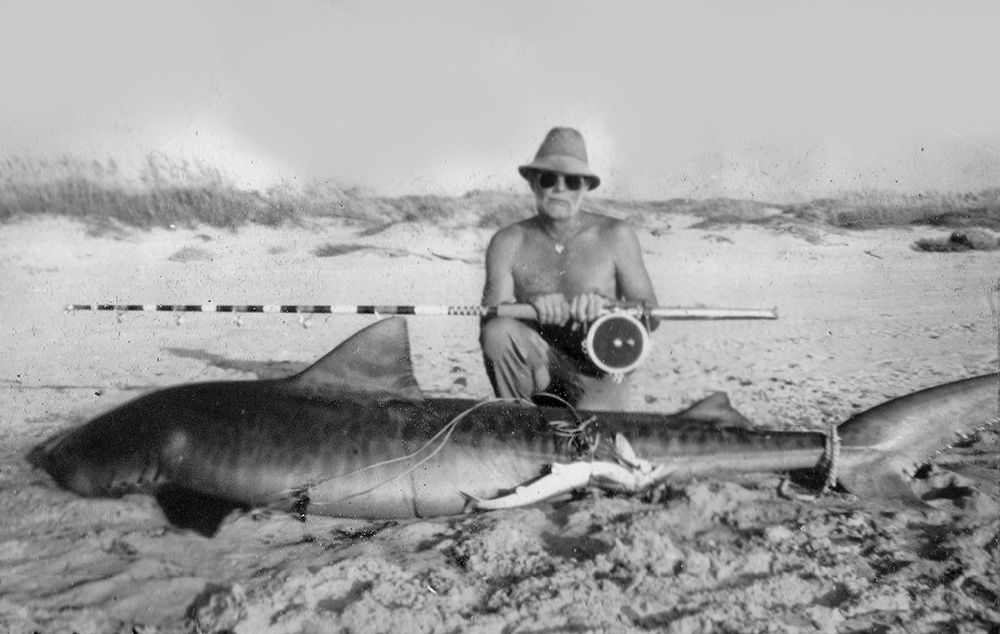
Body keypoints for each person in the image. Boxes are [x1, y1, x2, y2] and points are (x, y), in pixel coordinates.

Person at [480, 127, 659, 410]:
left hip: (602, 373)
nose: (560, 188)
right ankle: (520, 423)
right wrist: (531, 304)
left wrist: (606, 306)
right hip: (542, 370)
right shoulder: (507, 242)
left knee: (588, 431)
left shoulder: (616, 235)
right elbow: (489, 318)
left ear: (586, 186)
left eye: (572, 181)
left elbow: (652, 315)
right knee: (497, 333)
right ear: (533, 183)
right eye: (549, 179)